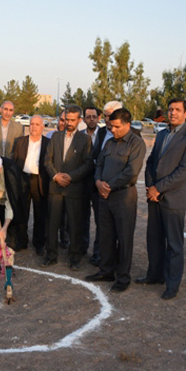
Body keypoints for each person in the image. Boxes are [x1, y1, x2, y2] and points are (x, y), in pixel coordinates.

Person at [139, 97, 186, 300]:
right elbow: (150, 163)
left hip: (174, 199)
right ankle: (154, 275)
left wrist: (159, 188)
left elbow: (184, 171)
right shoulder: (162, 134)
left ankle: (172, 285)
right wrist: (150, 186)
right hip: (154, 198)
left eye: (177, 109)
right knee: (154, 240)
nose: (172, 112)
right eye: (170, 109)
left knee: (174, 245)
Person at [85, 109, 146, 292]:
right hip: (104, 196)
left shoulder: (136, 143)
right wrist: (97, 182)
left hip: (123, 197)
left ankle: (123, 276)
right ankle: (106, 270)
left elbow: (131, 172)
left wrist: (108, 186)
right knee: (105, 235)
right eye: (111, 126)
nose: (113, 130)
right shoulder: (110, 143)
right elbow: (99, 164)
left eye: (117, 127)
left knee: (124, 237)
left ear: (127, 124)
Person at [42, 105, 93, 270]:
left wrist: (71, 177)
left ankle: (74, 257)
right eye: (66, 119)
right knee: (52, 223)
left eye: (72, 120)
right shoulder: (55, 137)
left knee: (74, 224)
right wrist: (56, 176)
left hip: (74, 188)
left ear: (79, 120)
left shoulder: (85, 140)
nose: (69, 123)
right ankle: (51, 255)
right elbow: (47, 160)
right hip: (55, 187)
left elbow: (88, 163)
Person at [12, 115, 50, 255]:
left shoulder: (48, 143)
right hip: (22, 180)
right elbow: (14, 161)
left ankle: (39, 243)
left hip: (39, 181)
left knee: (40, 214)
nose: (33, 127)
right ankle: (22, 241)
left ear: (42, 127)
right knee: (22, 212)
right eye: (31, 124)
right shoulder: (20, 141)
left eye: (37, 124)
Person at [81, 106, 107, 266]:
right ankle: (82, 248)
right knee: (82, 218)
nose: (91, 119)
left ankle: (98, 253)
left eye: (94, 116)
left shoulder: (105, 134)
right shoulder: (79, 136)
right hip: (82, 182)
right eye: (88, 116)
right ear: (83, 119)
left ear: (99, 118)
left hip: (99, 182)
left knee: (100, 220)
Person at [45, 111, 69, 248]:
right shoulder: (51, 136)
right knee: (52, 215)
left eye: (67, 120)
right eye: (61, 119)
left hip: (69, 182)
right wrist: (55, 176)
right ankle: (50, 242)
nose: (64, 123)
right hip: (53, 181)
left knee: (66, 215)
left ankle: (65, 239)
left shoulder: (78, 139)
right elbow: (47, 159)